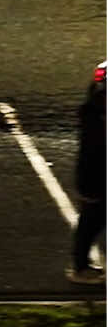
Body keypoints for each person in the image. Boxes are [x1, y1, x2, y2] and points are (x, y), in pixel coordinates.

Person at [66, 62, 106, 284]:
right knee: (92, 222)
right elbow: (96, 152)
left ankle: (80, 265)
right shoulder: (96, 119)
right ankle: (80, 268)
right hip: (96, 179)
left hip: (94, 178)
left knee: (92, 223)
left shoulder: (94, 112)